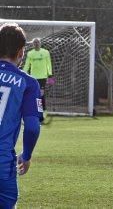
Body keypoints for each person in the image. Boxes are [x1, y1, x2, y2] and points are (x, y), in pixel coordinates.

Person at [0, 23, 42, 208]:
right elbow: (32, 127)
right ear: (21, 52)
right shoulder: (28, 83)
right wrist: (26, 155)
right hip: (2, 165)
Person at [23, 38, 53, 119]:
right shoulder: (30, 53)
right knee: (34, 96)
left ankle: (43, 112)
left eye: (37, 42)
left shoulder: (45, 52)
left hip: (43, 78)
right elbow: (27, 65)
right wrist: (23, 74)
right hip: (33, 78)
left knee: (41, 95)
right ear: (33, 44)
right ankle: (35, 112)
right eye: (35, 42)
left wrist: (50, 75)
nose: (36, 44)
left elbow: (48, 64)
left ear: (40, 43)